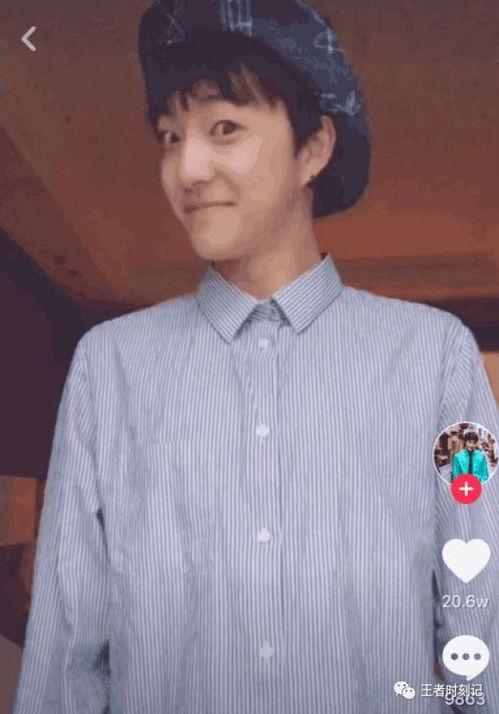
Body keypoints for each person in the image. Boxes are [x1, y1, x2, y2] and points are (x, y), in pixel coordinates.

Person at [12, 1, 499, 712]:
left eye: (224, 128)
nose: (186, 168)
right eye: (169, 137)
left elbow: (479, 623)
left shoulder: (435, 357)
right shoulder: (109, 367)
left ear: (314, 148)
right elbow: (66, 651)